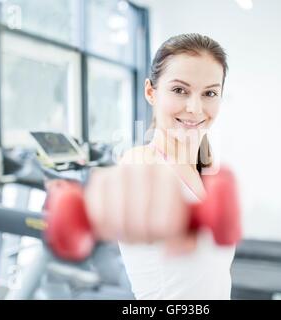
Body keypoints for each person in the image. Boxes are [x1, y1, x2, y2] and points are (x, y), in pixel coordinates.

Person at [84, 33, 236, 299]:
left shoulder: (205, 164)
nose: (195, 107)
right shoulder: (141, 162)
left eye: (209, 93)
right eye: (180, 90)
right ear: (150, 92)